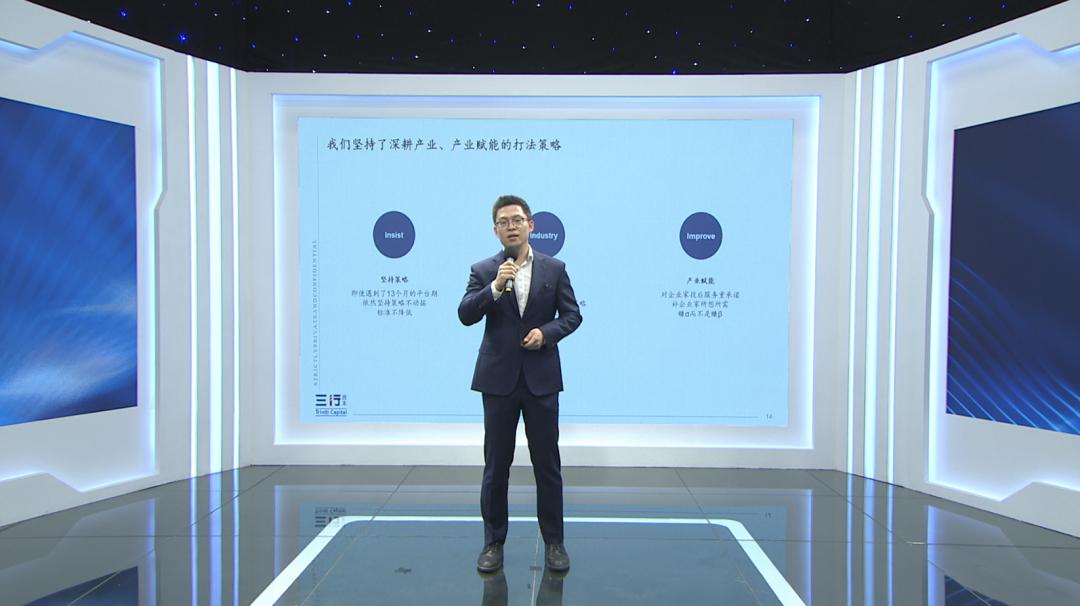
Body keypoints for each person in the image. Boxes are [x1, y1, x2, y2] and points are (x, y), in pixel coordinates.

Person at [458, 194, 582, 574]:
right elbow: (465, 314)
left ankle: (555, 543)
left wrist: (546, 334)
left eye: (517, 220)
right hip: (498, 382)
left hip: (541, 380)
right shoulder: (484, 270)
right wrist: (495, 287)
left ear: (531, 225)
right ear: (495, 230)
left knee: (547, 465)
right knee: (497, 466)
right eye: (503, 222)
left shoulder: (555, 269)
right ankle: (493, 542)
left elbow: (572, 316)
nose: (511, 226)